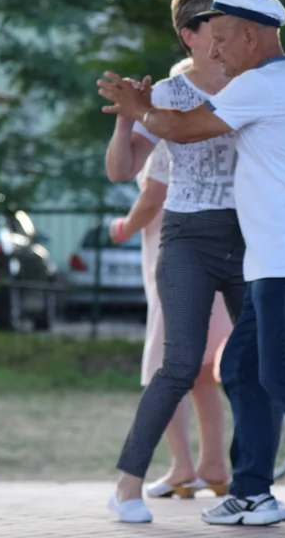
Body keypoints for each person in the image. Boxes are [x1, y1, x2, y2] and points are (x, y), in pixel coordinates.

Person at [99, 0, 285, 529]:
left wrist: (138, 107)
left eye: (222, 39)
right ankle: (249, 492)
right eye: (207, 38)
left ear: (251, 35)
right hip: (283, 254)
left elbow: (185, 128)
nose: (214, 51)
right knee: (241, 368)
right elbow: (150, 152)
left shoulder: (261, 85)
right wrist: (143, 110)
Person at [102, 0, 251, 525]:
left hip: (248, 238)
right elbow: (123, 171)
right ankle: (128, 486)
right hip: (186, 238)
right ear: (191, 35)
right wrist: (127, 115)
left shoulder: (253, 83)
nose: (229, 36)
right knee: (178, 364)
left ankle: (245, 483)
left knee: (255, 365)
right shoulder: (166, 93)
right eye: (218, 25)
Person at [108, 58, 233, 501]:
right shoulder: (205, 121)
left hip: (175, 251)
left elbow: (151, 194)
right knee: (201, 372)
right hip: (211, 251)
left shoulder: (173, 126)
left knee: (166, 364)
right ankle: (213, 465)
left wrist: (122, 227)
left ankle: (181, 465)